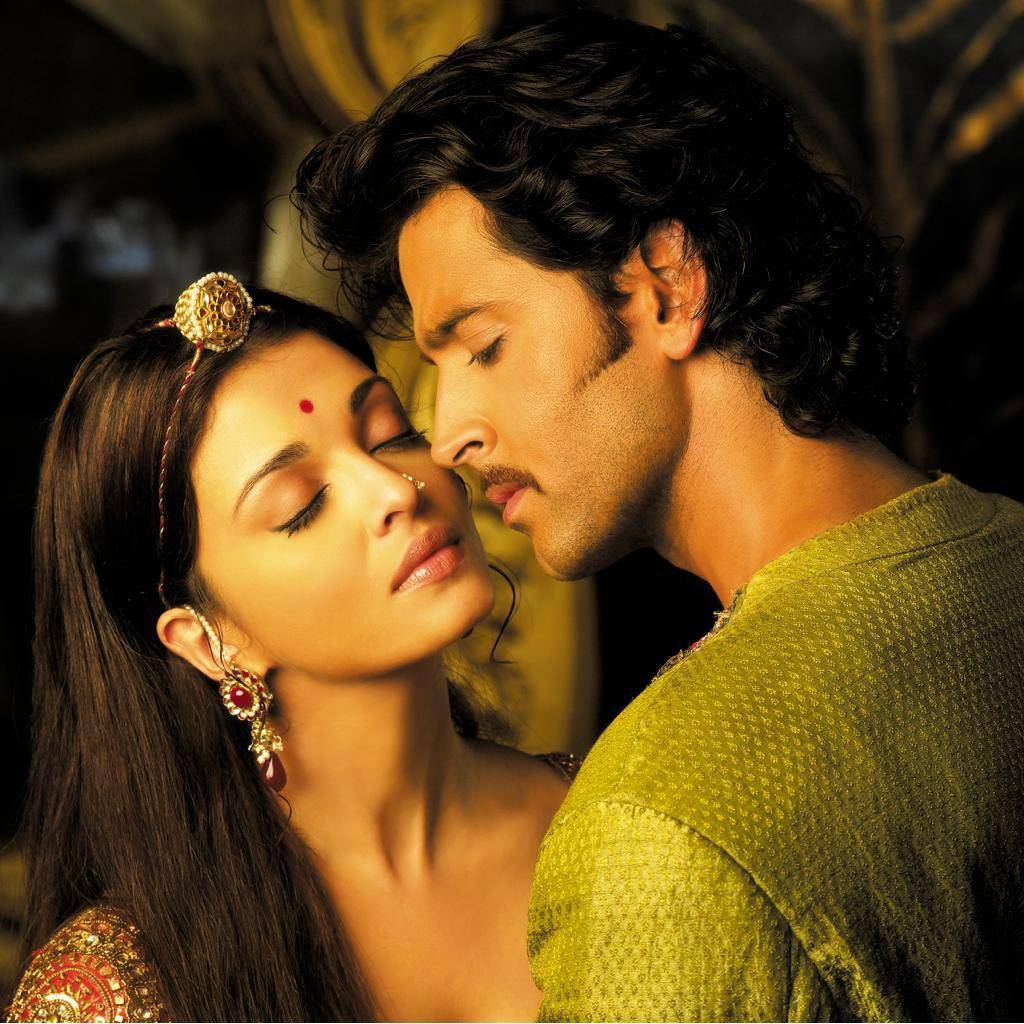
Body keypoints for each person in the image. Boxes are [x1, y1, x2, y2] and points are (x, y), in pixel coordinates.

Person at [293, 11, 1024, 1022]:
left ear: (668, 288)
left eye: (484, 346)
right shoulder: (999, 548)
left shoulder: (663, 824)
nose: (448, 433)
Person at [6, 273, 578, 1022]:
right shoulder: (110, 992)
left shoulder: (611, 821)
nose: (395, 490)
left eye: (391, 434)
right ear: (209, 641)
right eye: (301, 505)